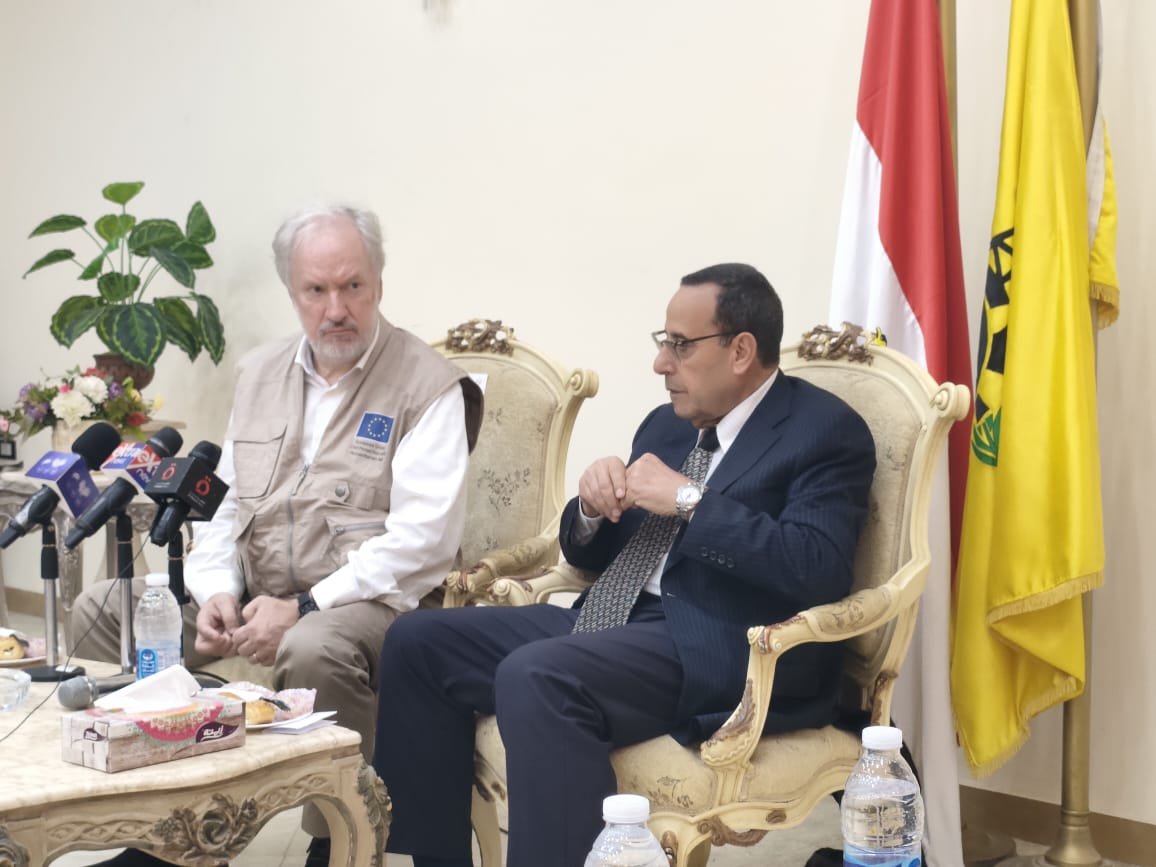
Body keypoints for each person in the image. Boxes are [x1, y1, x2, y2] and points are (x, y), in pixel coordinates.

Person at [373, 262, 877, 867]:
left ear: (741, 350)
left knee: (538, 675)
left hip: (717, 643)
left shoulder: (824, 431)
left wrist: (690, 501)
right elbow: (591, 553)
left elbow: (816, 566)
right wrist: (590, 508)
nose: (661, 363)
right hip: (612, 617)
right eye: (663, 342)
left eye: (680, 345)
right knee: (418, 642)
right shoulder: (667, 424)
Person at [70, 204, 482, 867]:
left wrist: (304, 605)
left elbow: (421, 542)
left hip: (371, 606)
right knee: (103, 612)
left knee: (313, 646)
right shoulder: (260, 373)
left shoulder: (426, 385)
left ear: (378, 282)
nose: (336, 308)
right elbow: (226, 506)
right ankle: (166, 824)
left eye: (352, 286)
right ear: (293, 291)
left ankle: (340, 838)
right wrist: (214, 592)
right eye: (316, 290)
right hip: (257, 593)